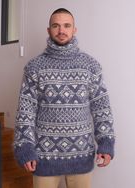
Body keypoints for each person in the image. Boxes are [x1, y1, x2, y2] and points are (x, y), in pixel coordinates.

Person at [14, 8, 115, 188]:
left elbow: (101, 107)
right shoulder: (34, 67)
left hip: (81, 155)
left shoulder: (91, 66)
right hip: (43, 157)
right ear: (49, 30)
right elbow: (25, 111)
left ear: (74, 29)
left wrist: (106, 143)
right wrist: (24, 147)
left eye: (67, 26)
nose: (61, 30)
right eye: (56, 26)